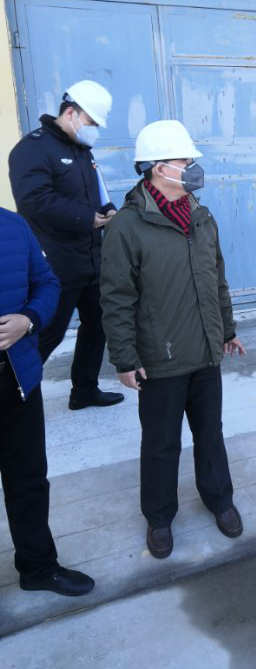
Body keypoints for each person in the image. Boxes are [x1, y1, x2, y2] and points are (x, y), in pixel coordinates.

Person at [100, 120, 246, 559]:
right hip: (160, 359)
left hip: (205, 352)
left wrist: (227, 330)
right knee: (161, 443)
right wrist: (125, 359)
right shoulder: (127, 226)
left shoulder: (202, 217)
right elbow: (116, 297)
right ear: (159, 168)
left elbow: (217, 280)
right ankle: (160, 517)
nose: (193, 167)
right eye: (185, 161)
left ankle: (220, 499)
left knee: (210, 434)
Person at [8, 80, 124, 411]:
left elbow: (94, 194)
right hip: (55, 264)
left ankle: (84, 390)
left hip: (91, 260)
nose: (94, 130)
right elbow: (34, 200)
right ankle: (11, 393)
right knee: (48, 332)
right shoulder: (33, 149)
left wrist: (107, 210)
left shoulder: (81, 150)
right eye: (91, 122)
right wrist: (86, 218)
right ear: (71, 113)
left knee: (98, 323)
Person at [0, 206, 95, 595]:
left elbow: (48, 284)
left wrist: (28, 320)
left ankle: (38, 567)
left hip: (17, 379)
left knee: (29, 481)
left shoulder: (12, 225)